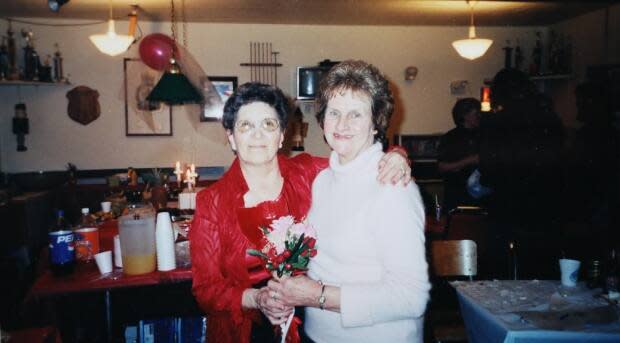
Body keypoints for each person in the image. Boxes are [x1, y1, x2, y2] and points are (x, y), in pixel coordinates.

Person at [189, 82, 412, 343]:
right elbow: (206, 290)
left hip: (317, 316)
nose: (258, 135)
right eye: (246, 126)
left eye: (268, 125)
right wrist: (256, 299)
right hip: (247, 328)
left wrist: (397, 156)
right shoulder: (211, 201)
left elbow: (363, 164)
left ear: (282, 135)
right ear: (231, 137)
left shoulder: (309, 173)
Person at [267, 60, 430, 342]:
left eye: (356, 114)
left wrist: (317, 296)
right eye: (334, 113)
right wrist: (285, 290)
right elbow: (327, 261)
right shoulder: (323, 181)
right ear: (322, 119)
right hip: (318, 335)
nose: (342, 124)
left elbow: (411, 297)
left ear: (376, 122)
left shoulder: (393, 187)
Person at [478, 68, 564, 279]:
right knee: (543, 272)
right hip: (546, 208)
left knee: (504, 273)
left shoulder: (497, 122)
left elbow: (488, 171)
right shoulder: (549, 119)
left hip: (508, 207)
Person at [438, 97, 482, 211]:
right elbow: (442, 167)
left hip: (481, 197)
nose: (479, 116)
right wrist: (470, 160)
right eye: (476, 113)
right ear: (465, 115)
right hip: (458, 196)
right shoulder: (450, 138)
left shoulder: (484, 135)